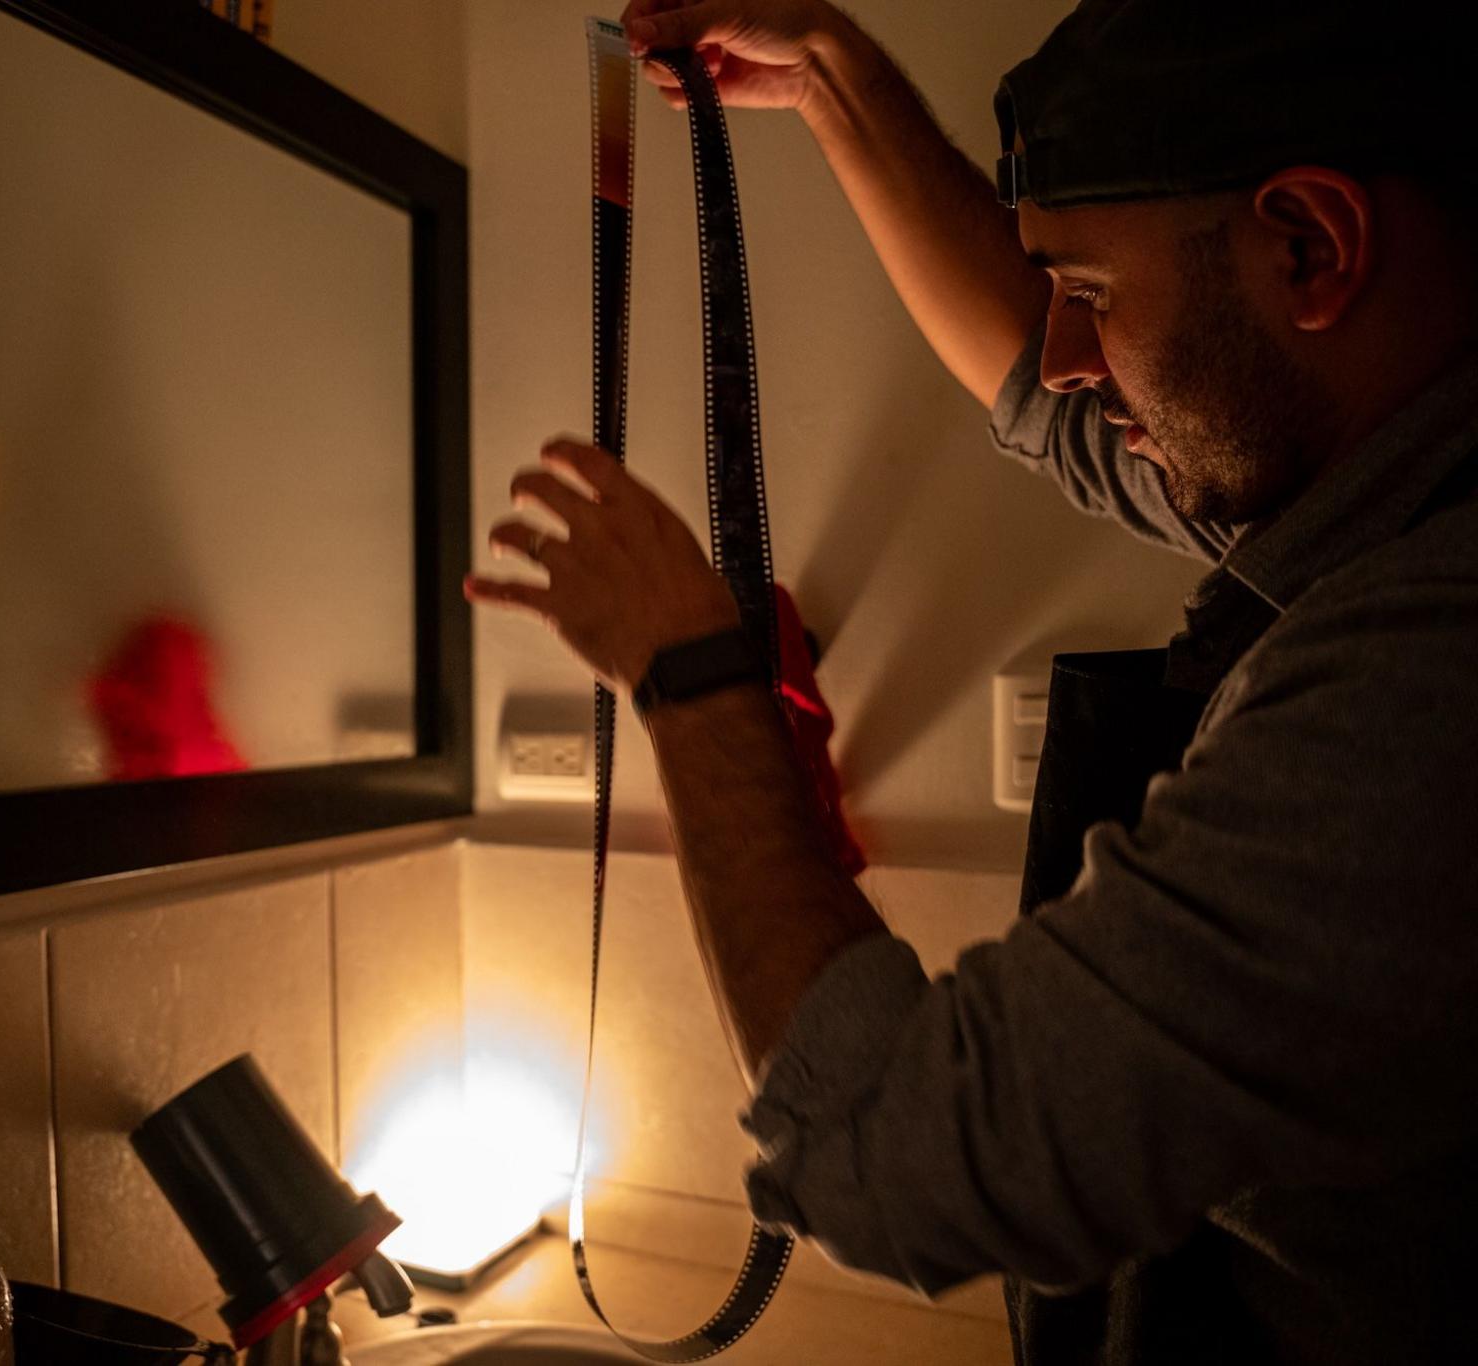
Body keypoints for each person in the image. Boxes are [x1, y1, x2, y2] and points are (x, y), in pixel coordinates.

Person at [466, 0, 1476, 1360]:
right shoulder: (1388, 491)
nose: (1067, 354)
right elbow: (1038, 381)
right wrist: (829, 74)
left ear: (1311, 245)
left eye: (1095, 297)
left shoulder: (1422, 685)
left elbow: (897, 1150)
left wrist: (694, 675)